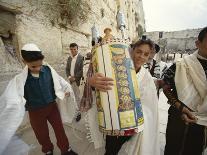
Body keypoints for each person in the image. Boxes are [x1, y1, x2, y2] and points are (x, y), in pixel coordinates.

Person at [81, 39, 160, 155]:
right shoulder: (114, 68)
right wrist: (92, 83)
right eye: (139, 52)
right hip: (112, 122)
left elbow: (150, 106)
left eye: (146, 54)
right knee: (111, 150)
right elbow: (102, 90)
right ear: (132, 50)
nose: (141, 56)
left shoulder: (146, 78)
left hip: (133, 126)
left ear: (149, 57)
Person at [0, 43, 77, 155]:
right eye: (33, 66)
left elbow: (60, 81)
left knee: (59, 129)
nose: (37, 69)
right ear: (24, 61)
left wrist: (66, 90)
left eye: (40, 65)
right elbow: (12, 97)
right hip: (35, 112)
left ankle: (66, 149)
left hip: (52, 107)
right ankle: (47, 150)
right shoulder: (20, 80)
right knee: (41, 134)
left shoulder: (49, 70)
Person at [161, 27, 207, 155]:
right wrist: (180, 107)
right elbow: (165, 85)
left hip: (203, 122)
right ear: (198, 43)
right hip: (178, 117)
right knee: (173, 149)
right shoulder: (181, 64)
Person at [66, 43, 84, 122]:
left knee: (78, 97)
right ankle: (75, 110)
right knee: (72, 96)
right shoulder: (69, 58)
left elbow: (82, 69)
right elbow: (67, 69)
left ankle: (79, 113)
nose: (73, 51)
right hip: (70, 81)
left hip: (77, 81)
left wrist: (75, 77)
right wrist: (69, 77)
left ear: (77, 49)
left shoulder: (81, 58)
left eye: (74, 49)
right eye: (71, 49)